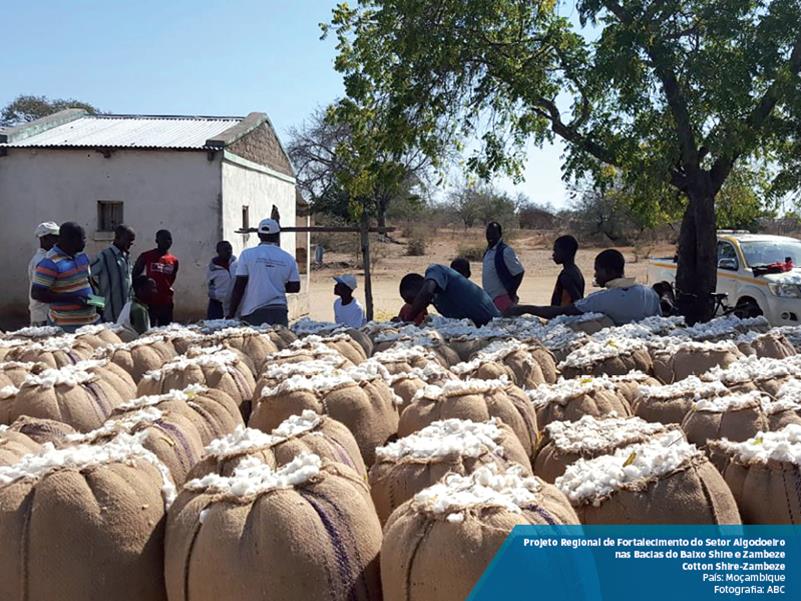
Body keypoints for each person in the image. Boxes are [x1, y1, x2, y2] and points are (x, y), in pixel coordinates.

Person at [506, 249, 661, 326]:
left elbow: (562, 311)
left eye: (597, 270)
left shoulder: (601, 299)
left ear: (611, 271)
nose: (595, 275)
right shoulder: (650, 293)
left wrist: (525, 309)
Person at [227, 218, 301, 326]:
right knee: (281, 342)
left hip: (253, 310)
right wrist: (276, 285)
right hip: (279, 310)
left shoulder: (247, 255)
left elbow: (239, 286)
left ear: (258, 235)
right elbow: (295, 287)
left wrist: (231, 313)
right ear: (277, 235)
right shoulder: (288, 258)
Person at [30, 222, 98, 332]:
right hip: (66, 327)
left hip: (91, 323)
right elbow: (37, 293)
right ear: (70, 239)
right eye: (82, 239)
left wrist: (99, 304)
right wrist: (72, 299)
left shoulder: (82, 257)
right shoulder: (49, 263)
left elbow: (87, 284)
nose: (85, 243)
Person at [400, 264, 500, 327]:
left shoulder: (435, 270)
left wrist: (406, 320)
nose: (412, 304)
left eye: (410, 299)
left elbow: (426, 293)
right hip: (481, 328)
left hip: (493, 322)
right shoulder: (439, 303)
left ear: (416, 286)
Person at [133, 229, 179, 327]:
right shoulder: (147, 256)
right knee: (149, 329)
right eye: (164, 239)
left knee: (165, 331)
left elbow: (172, 278)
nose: (167, 242)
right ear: (157, 241)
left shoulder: (174, 260)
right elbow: (135, 275)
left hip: (166, 302)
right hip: (150, 302)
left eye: (169, 239)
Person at [91, 224, 135, 322]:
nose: (131, 243)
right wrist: (97, 303)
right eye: (128, 240)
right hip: (109, 313)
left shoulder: (126, 256)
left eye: (132, 241)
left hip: (125, 312)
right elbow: (87, 278)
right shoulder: (104, 256)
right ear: (118, 238)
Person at [482, 222, 525, 312]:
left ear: (500, 234)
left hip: (502, 297)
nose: (490, 236)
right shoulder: (488, 252)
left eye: (494, 233)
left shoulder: (505, 251)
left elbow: (519, 272)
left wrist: (511, 292)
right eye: (488, 233)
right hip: (490, 298)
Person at [28, 222, 60, 326]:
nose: (58, 241)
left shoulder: (50, 258)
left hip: (47, 314)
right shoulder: (41, 261)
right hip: (43, 315)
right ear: (44, 239)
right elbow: (38, 293)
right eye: (54, 238)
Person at [550, 235, 585, 306]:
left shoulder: (566, 276)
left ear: (565, 252)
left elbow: (578, 301)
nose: (553, 254)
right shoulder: (575, 271)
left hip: (565, 315)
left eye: (555, 251)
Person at [207, 241, 237, 320]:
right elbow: (210, 284)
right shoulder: (212, 268)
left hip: (233, 303)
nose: (229, 251)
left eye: (230, 249)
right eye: (225, 249)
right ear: (218, 251)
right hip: (217, 303)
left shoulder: (236, 264)